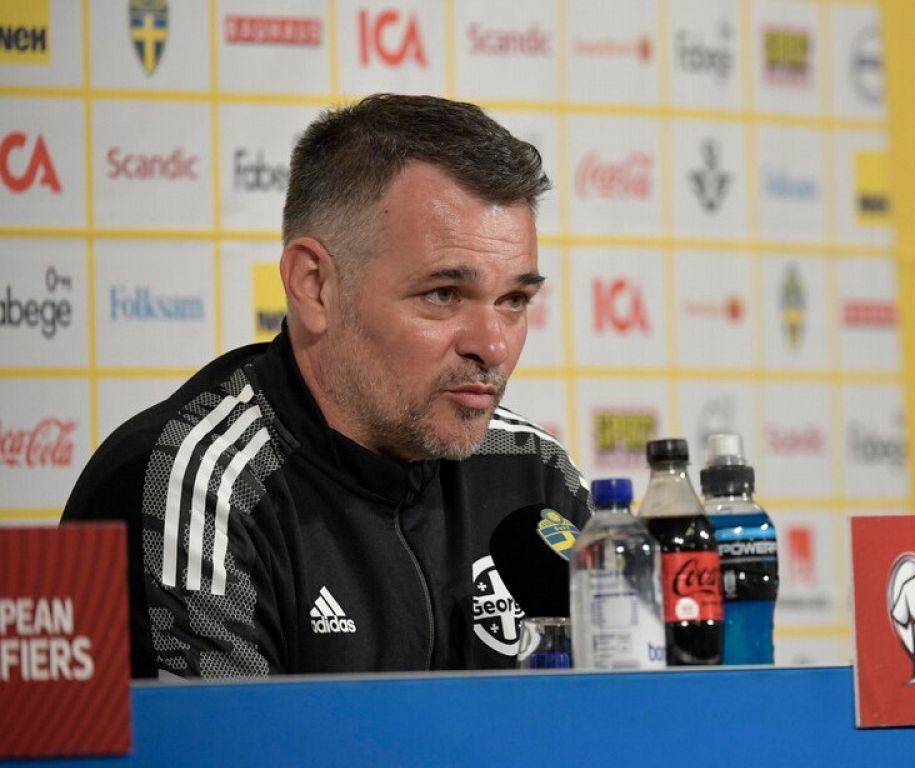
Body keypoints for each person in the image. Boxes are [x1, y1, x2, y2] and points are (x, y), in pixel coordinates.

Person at [63, 94, 590, 678]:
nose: (492, 346)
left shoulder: (532, 471)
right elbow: (228, 764)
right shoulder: (201, 479)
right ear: (314, 287)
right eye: (443, 295)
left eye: (514, 300)